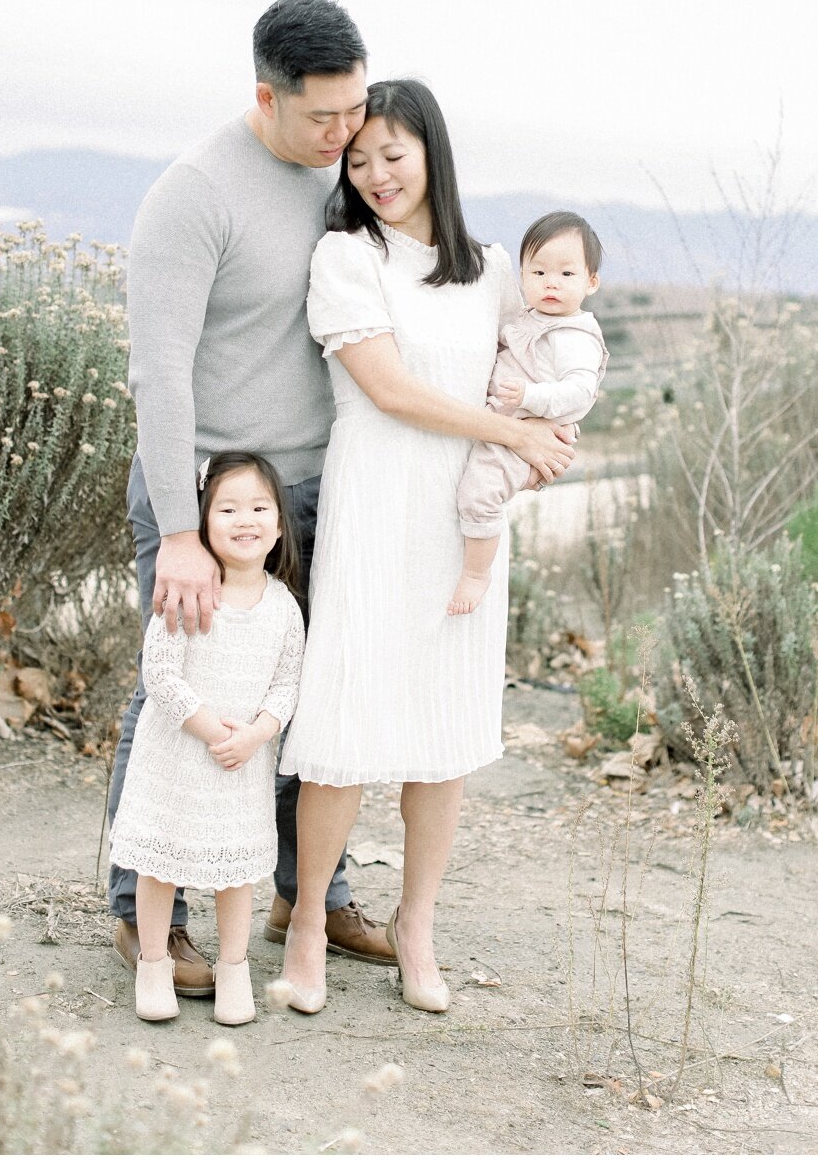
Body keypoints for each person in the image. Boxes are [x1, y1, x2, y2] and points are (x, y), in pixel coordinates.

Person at [110, 0, 395, 995]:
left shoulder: (343, 177)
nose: (343, 132)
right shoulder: (195, 194)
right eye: (321, 115)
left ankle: (303, 891)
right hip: (208, 500)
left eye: (353, 109)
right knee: (176, 694)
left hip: (317, 489)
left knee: (302, 696)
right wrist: (181, 531)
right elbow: (162, 371)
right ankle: (144, 913)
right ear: (264, 96)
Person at [277, 79, 576, 1017]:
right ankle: (307, 925)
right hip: (375, 512)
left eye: (392, 155)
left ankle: (416, 924)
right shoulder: (343, 256)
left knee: (440, 738)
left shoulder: (492, 268)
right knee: (340, 734)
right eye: (358, 160)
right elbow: (391, 390)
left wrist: (551, 430)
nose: (373, 175)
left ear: (431, 153)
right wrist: (513, 431)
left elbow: (541, 367)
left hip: (461, 525)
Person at [110, 453, 305, 1024]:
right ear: (203, 520)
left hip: (240, 763)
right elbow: (161, 674)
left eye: (258, 508)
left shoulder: (283, 606)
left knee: (235, 872)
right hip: (177, 756)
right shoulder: (190, 592)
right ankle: (153, 963)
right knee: (160, 864)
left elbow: (288, 683)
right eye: (227, 508)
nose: (244, 520)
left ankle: (235, 969)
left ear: (277, 524)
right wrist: (208, 726)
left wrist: (258, 733)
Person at [448, 211, 609, 614]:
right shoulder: (529, 317)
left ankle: (475, 573)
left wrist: (530, 396)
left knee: (478, 494)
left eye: (566, 275)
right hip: (507, 422)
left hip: (526, 432)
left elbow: (580, 392)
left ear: (591, 281)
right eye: (538, 272)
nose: (550, 282)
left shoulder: (572, 335)